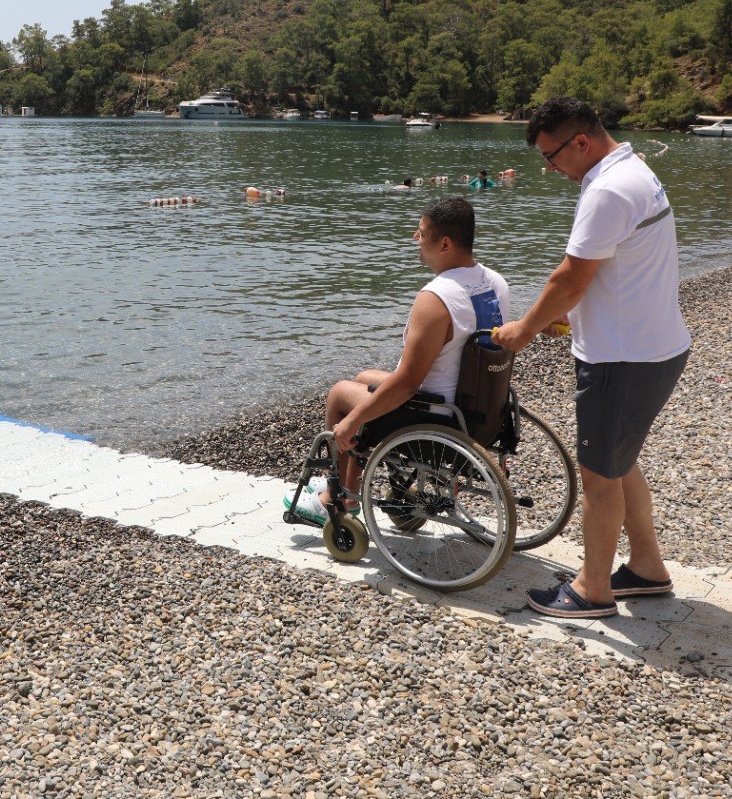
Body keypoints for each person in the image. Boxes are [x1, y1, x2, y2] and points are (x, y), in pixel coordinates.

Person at [493, 98, 690, 619]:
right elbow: (613, 268)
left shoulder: (606, 189)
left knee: (600, 475)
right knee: (619, 463)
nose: (549, 167)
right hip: (653, 346)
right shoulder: (632, 170)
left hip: (622, 359)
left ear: (580, 142)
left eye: (551, 156)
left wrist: (523, 329)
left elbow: (570, 277)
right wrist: (570, 313)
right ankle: (647, 568)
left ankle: (592, 590)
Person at [289, 198, 510, 520]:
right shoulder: (495, 282)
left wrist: (352, 421)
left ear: (445, 244)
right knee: (364, 377)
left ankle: (337, 500)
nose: (415, 238)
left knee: (340, 394)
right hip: (480, 407)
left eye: (422, 233)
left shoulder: (436, 298)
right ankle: (356, 484)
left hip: (439, 416)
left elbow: (407, 384)